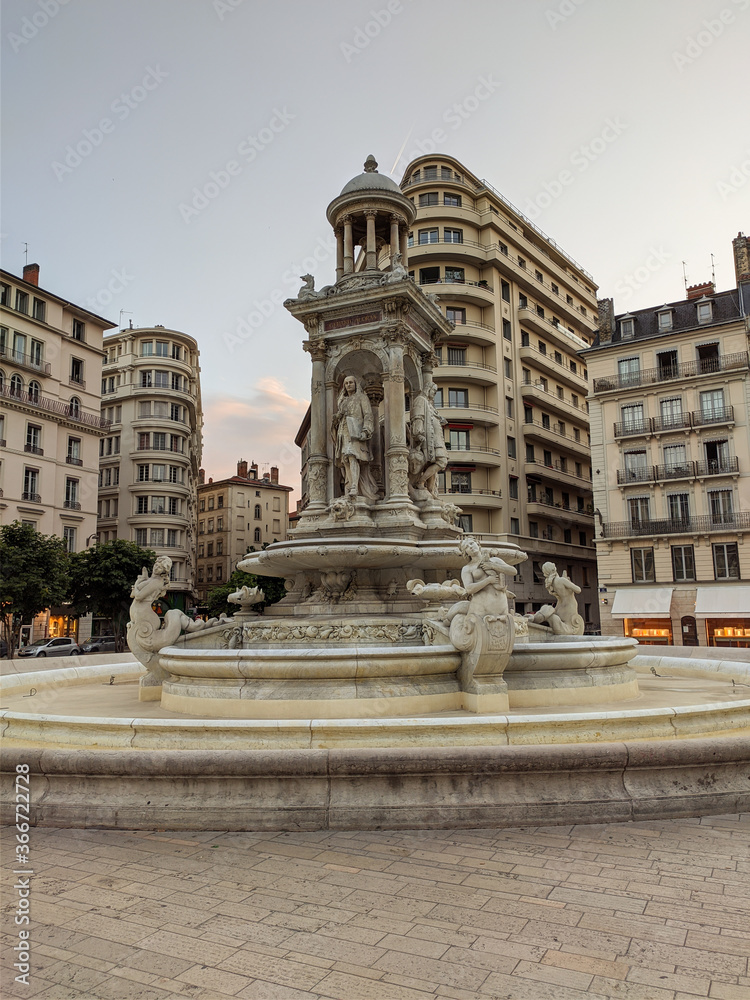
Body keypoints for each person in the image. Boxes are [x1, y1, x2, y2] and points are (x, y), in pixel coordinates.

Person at [331, 375, 378, 500]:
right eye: (346, 383)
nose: (348, 385)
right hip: (344, 433)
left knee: (352, 457)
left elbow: (368, 415)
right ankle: (349, 486)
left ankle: (354, 487)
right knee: (345, 460)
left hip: (356, 433)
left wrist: (366, 430)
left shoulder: (362, 398)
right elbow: (339, 419)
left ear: (356, 384)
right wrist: (337, 418)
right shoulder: (343, 401)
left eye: (351, 382)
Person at [409, 381, 448, 496]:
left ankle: (430, 491)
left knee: (434, 463)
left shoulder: (428, 403)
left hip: (435, 439)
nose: (434, 394)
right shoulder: (421, 400)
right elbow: (418, 417)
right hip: (429, 439)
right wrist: (418, 433)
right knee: (442, 461)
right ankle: (420, 481)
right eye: (434, 391)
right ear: (428, 389)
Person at [526, 561, 584, 634]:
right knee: (568, 626)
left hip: (559, 606)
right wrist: (569, 583)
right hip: (569, 606)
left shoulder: (551, 584)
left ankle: (534, 618)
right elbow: (578, 590)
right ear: (554, 569)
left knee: (549, 612)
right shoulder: (561, 580)